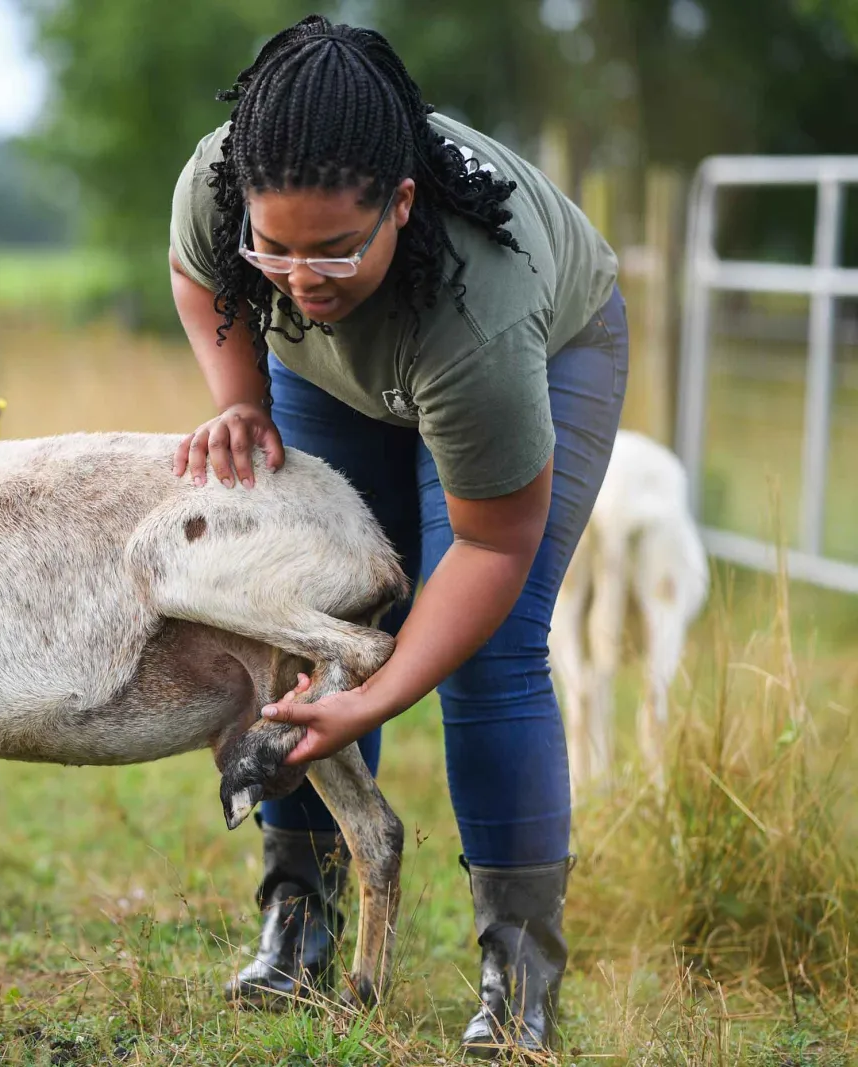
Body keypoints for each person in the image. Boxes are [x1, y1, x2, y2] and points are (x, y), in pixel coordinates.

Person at [168, 18, 624, 1055]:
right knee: (313, 617)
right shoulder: (227, 174)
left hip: (535, 359)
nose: (296, 276)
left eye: (332, 247)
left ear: (400, 205)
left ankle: (517, 973)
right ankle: (301, 920)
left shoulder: (481, 307)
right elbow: (197, 276)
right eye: (270, 246)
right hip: (336, 379)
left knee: (490, 660)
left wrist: (376, 692)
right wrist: (240, 397)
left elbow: (490, 548)